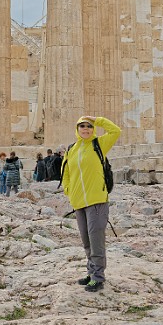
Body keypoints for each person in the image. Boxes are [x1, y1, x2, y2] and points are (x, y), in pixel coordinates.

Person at [62, 115, 122, 293]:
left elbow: (116, 131)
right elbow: (66, 172)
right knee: (86, 241)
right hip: (78, 201)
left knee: (96, 240)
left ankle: (98, 277)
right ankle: (91, 272)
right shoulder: (71, 149)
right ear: (77, 129)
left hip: (97, 201)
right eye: (82, 126)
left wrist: (98, 120)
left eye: (89, 126)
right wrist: (68, 190)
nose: (86, 129)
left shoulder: (99, 145)